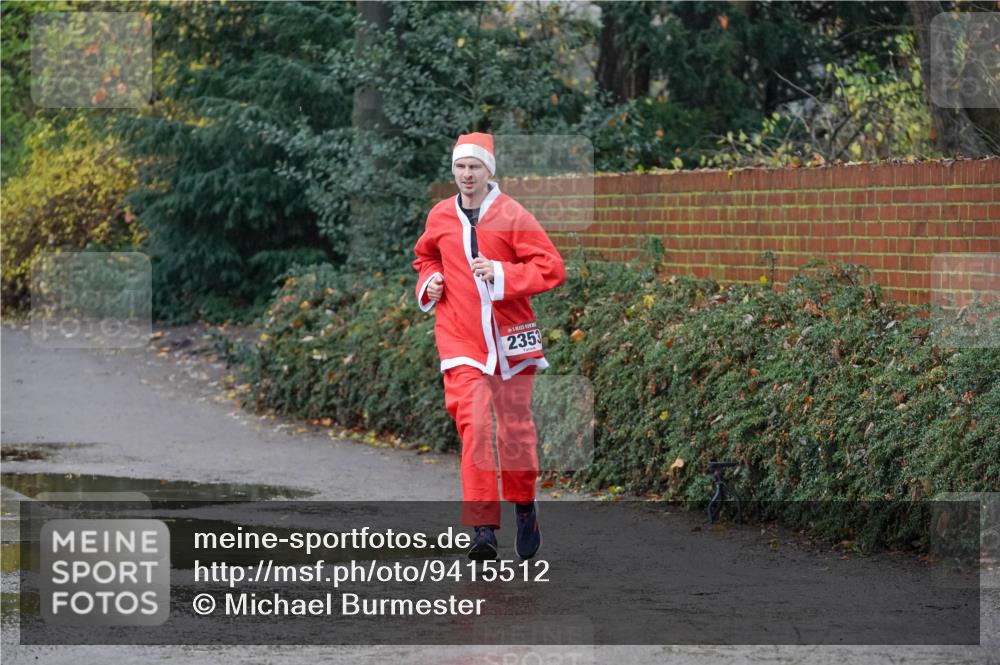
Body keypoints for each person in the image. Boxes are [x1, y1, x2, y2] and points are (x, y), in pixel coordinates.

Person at [412, 132, 566, 560]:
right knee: (475, 427)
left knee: (515, 433)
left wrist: (500, 273)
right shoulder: (440, 216)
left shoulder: (512, 214)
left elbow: (551, 268)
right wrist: (431, 282)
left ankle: (524, 505)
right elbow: (424, 257)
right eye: (460, 167)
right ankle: (482, 528)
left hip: (512, 340)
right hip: (461, 340)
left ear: (488, 171)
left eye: (474, 167)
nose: (466, 174)